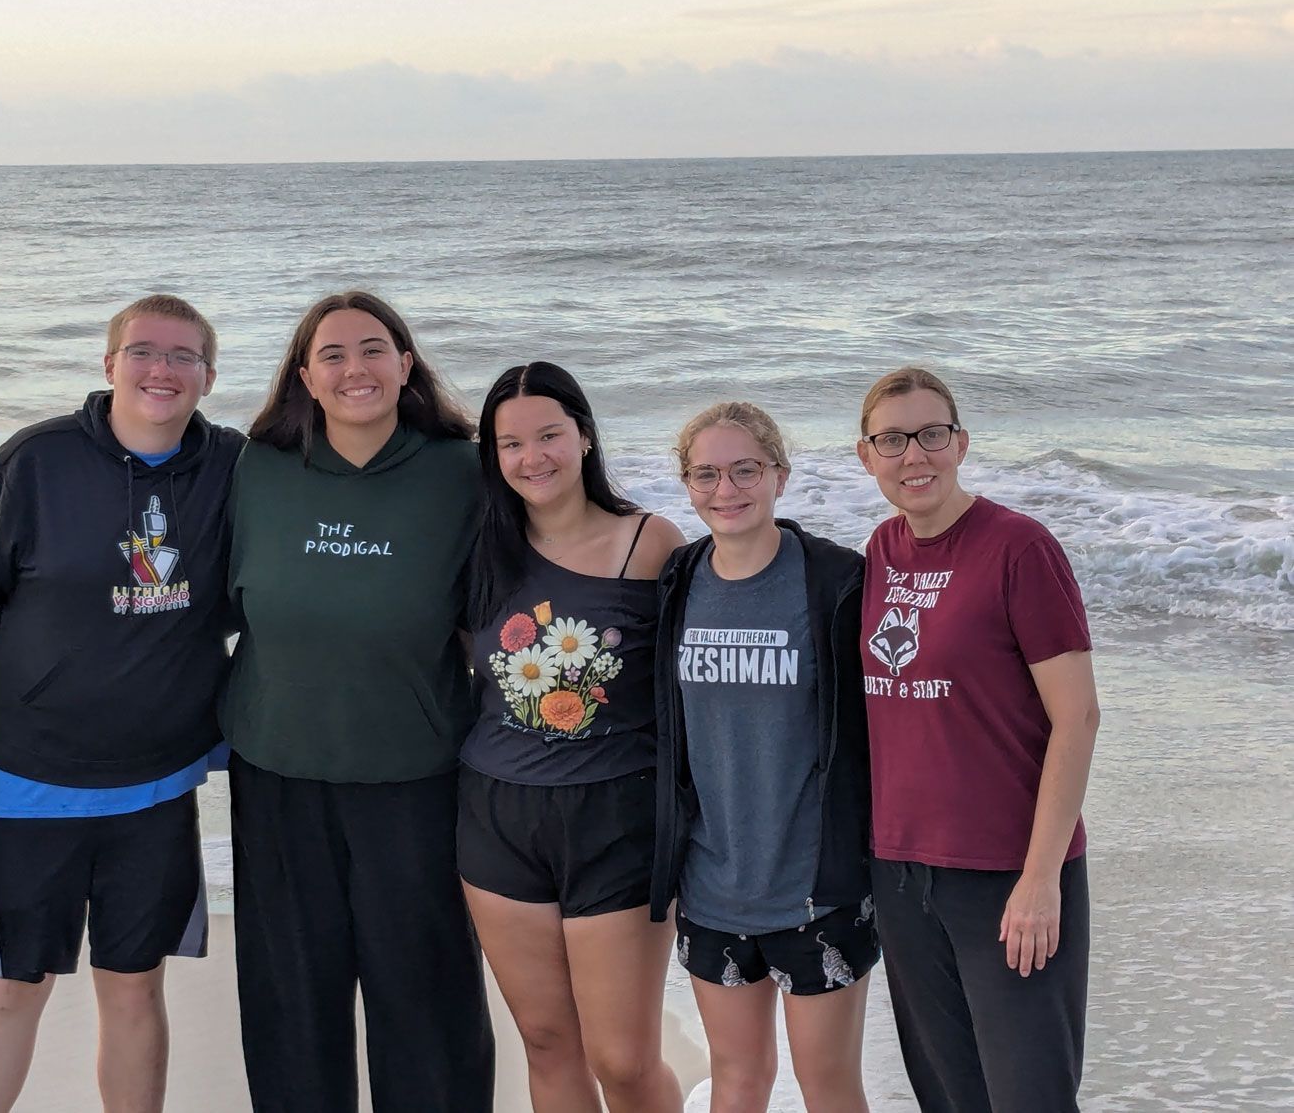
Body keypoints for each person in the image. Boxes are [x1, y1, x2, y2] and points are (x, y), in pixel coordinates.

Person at [0, 294, 242, 1113]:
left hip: (160, 784)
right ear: (109, 365)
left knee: (135, 987)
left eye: (183, 356)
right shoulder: (37, 461)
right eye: (143, 351)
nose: (161, 369)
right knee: (13, 988)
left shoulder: (232, 466)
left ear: (209, 376)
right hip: (38, 781)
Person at [221, 291, 494, 1112]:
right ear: (305, 376)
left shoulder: (464, 470)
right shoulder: (256, 467)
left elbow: (535, 581)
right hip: (276, 767)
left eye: (373, 348)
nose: (354, 369)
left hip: (414, 771)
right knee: (291, 995)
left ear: (406, 364)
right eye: (332, 354)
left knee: (425, 997)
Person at [855, 366, 1099, 1112]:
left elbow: (1078, 717)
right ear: (866, 456)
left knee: (1030, 1097)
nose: (913, 455)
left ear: (960, 443)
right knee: (949, 1096)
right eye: (892, 440)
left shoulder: (1019, 547)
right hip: (902, 872)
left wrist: (1040, 879)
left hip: (1007, 872)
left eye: (931, 434)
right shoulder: (881, 549)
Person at [458, 361, 684, 1112]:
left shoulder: (649, 542)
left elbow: (701, 681)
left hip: (617, 818)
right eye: (511, 443)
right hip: (497, 816)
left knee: (623, 1059)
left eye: (549, 434)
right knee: (549, 1041)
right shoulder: (477, 550)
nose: (533, 457)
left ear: (584, 436)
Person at [650, 402, 878, 1113]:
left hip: (816, 889)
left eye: (746, 469)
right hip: (712, 887)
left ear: (780, 474)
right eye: (706, 474)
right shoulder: (678, 580)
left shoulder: (836, 580)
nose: (727, 489)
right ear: (687, 484)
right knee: (738, 1081)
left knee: (828, 1086)